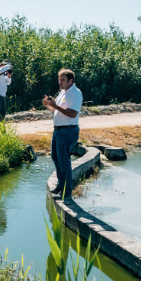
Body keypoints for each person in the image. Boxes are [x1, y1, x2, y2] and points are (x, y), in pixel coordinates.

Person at [43, 69, 82, 200]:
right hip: (59, 130)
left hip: (67, 131)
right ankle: (61, 185)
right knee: (55, 157)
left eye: (63, 80)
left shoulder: (75, 94)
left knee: (64, 161)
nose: (60, 83)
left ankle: (67, 192)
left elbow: (72, 113)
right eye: (59, 80)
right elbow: (56, 110)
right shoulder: (63, 92)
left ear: (71, 81)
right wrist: (48, 105)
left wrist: (56, 106)